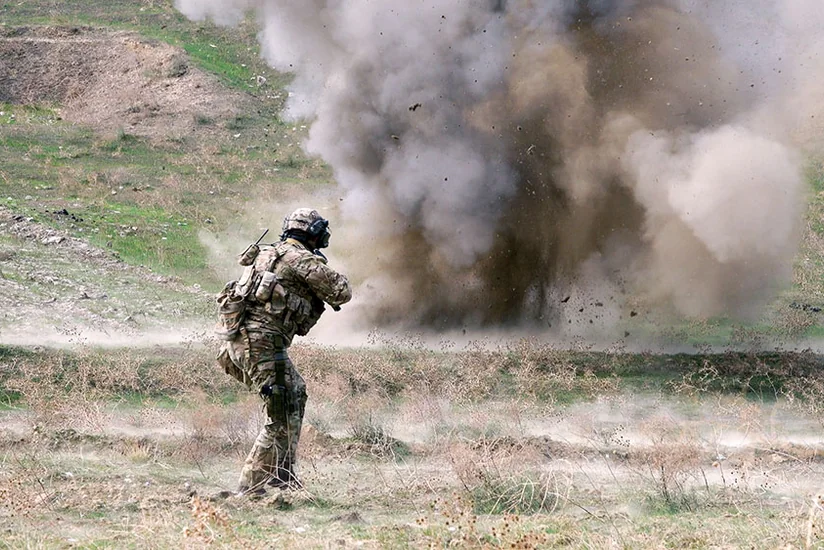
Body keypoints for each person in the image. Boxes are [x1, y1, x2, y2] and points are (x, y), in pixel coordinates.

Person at [215, 208, 351, 496]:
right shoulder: (300, 259)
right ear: (312, 233)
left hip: (240, 343)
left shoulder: (267, 252)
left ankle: (282, 477)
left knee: (295, 395)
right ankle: (251, 488)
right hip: (261, 344)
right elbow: (341, 291)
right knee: (280, 413)